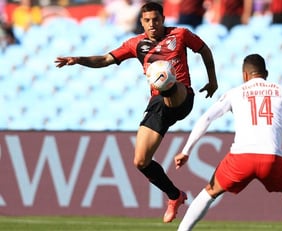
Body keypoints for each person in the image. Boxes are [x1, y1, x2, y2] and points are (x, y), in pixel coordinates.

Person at [54, 1, 218, 223]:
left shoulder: (180, 34)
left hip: (182, 96)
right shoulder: (135, 44)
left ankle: (165, 81)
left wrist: (212, 81)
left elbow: (204, 50)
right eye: (148, 21)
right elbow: (105, 59)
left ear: (163, 19)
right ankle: (174, 196)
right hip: (158, 104)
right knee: (140, 161)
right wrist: (78, 60)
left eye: (156, 20)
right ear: (141, 22)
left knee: (163, 76)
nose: (152, 24)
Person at [174, 54, 282, 231]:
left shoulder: (235, 92)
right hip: (272, 158)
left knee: (210, 191)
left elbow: (206, 118)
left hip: (241, 158)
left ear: (244, 75)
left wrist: (186, 150)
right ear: (266, 73)